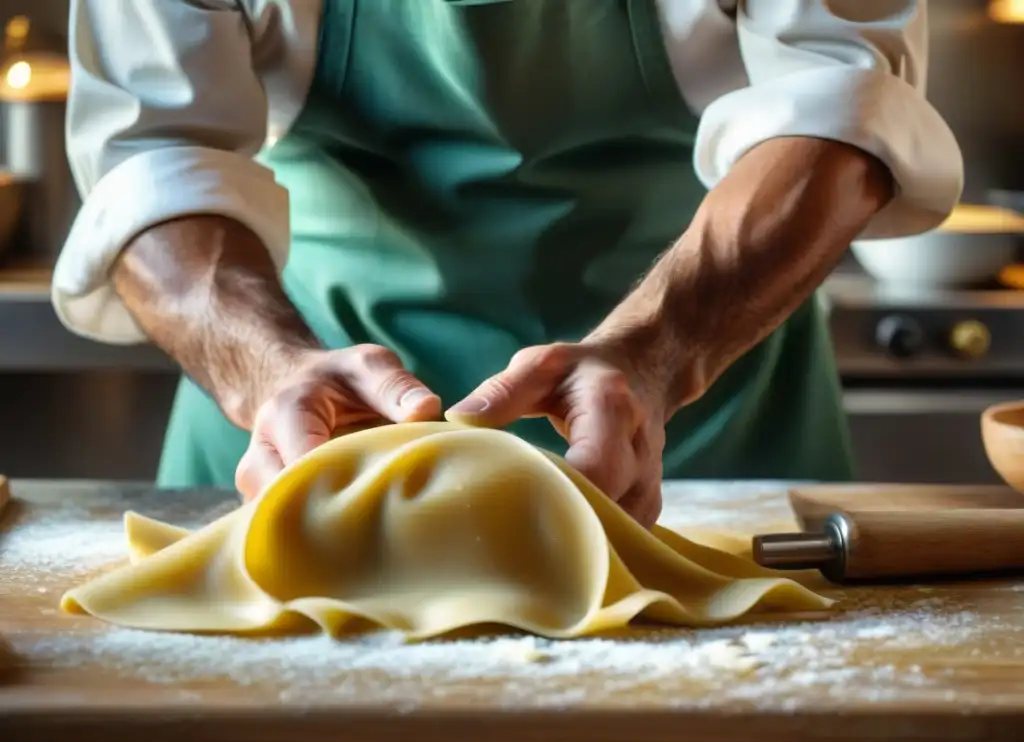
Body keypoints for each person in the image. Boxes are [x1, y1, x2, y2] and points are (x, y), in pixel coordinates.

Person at [55, 0, 962, 527]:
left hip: (706, 426)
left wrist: (655, 355)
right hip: (295, 440)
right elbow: (150, 153)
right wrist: (264, 368)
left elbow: (845, 109)